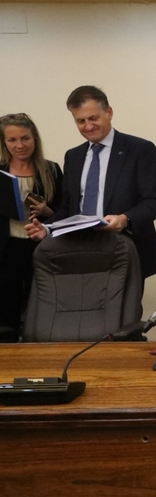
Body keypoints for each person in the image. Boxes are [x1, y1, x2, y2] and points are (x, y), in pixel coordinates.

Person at [25, 85, 156, 281]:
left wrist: (124, 219)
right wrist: (47, 228)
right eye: (80, 121)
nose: (88, 126)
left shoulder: (140, 150)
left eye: (93, 118)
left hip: (126, 250)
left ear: (109, 112)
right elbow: (68, 207)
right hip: (79, 250)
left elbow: (153, 203)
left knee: (123, 302)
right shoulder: (73, 156)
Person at [0, 113, 63, 342]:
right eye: (12, 140)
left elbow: (65, 212)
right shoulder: (1, 170)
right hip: (6, 250)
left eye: (25, 138)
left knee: (41, 307)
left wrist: (48, 212)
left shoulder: (51, 170)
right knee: (6, 312)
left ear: (34, 138)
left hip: (42, 248)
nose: (20, 145)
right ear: (4, 142)